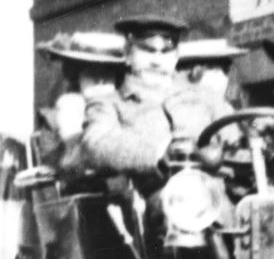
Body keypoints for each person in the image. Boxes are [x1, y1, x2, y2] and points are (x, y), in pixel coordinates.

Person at [81, 14, 234, 191]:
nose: (156, 61)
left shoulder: (204, 96)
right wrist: (159, 153)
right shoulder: (108, 104)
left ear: (176, 56)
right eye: (148, 51)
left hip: (216, 194)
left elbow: (234, 133)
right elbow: (96, 144)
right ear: (128, 54)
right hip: (155, 199)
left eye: (165, 52)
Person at [34, 32, 126, 176]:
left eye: (107, 74)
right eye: (92, 74)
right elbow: (51, 164)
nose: (100, 81)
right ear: (77, 77)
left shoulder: (128, 112)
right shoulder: (57, 118)